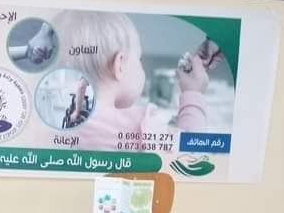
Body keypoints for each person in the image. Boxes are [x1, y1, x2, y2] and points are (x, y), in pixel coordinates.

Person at [52, 11, 208, 150]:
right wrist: (193, 93)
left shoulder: (52, 124)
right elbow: (192, 147)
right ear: (119, 65)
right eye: (139, 59)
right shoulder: (141, 126)